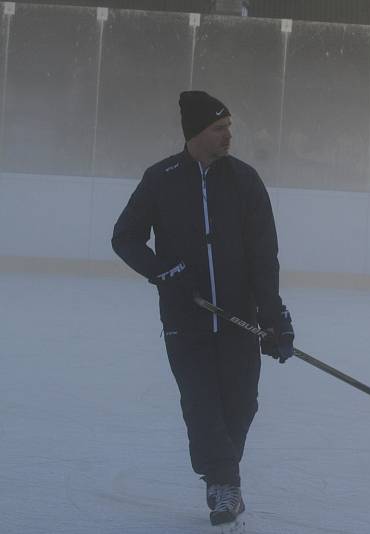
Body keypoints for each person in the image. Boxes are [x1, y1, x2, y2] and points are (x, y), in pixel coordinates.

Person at [111, 90, 295, 527]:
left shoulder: (245, 180)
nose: (228, 135)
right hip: (185, 318)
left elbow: (264, 255)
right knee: (201, 404)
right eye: (219, 128)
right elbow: (125, 238)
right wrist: (165, 272)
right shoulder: (161, 178)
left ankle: (221, 474)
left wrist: (274, 318)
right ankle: (224, 485)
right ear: (196, 133)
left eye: (229, 126)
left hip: (238, 317)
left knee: (241, 404)